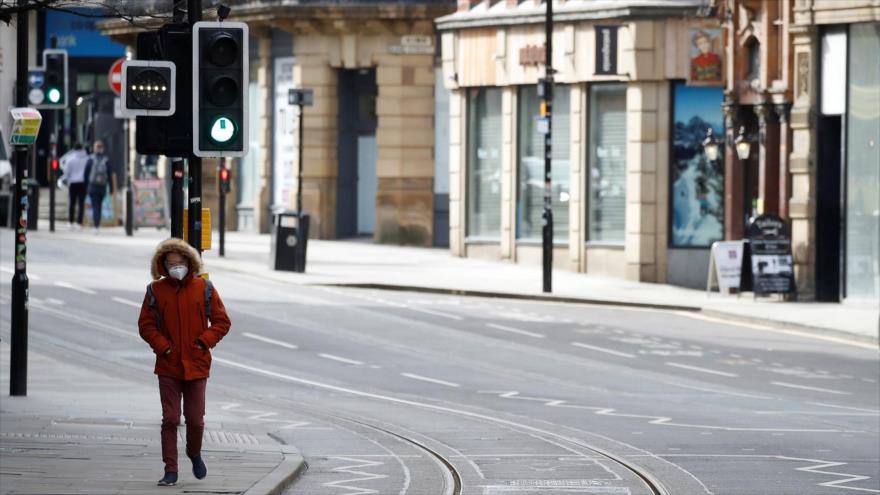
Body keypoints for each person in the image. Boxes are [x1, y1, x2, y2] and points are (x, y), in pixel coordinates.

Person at [138, 238, 231, 487]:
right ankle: (171, 469)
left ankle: (194, 452)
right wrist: (163, 347)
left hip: (197, 364)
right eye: (170, 263)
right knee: (170, 418)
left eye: (179, 262)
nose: (175, 267)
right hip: (168, 365)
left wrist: (203, 342)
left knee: (195, 419)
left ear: (189, 263)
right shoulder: (155, 291)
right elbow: (146, 325)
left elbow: (222, 322)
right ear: (163, 266)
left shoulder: (205, 288)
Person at [84, 140, 115, 234]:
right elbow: (110, 175)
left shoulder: (90, 159)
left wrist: (86, 187)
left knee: (94, 206)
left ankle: (95, 226)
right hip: (102, 187)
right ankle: (97, 224)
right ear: (102, 149)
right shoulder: (106, 160)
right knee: (99, 206)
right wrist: (111, 188)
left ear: (94, 148)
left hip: (92, 187)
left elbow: (86, 175)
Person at [59, 143, 89, 230]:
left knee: (72, 203)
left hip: (73, 183)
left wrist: (68, 179)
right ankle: (79, 223)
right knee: (81, 203)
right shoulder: (87, 158)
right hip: (83, 182)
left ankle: (70, 221)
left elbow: (66, 171)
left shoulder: (70, 158)